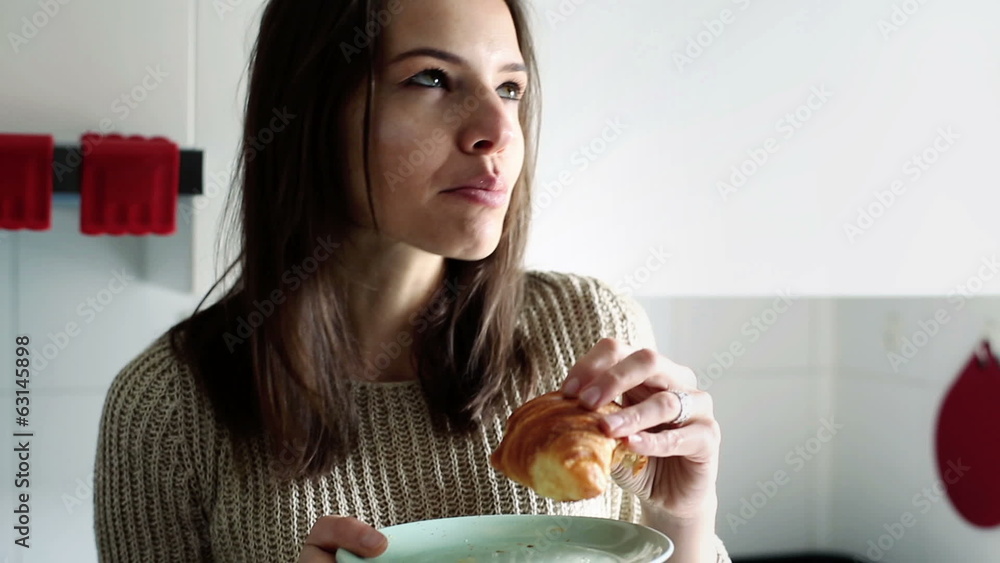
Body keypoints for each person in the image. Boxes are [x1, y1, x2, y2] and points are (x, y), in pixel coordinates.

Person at [92, 0, 732, 561]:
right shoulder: (168, 411)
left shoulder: (592, 330)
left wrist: (683, 521)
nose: (499, 133)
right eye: (432, 78)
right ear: (313, 111)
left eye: (510, 88)